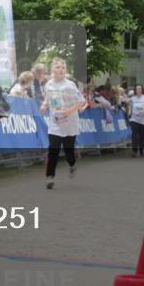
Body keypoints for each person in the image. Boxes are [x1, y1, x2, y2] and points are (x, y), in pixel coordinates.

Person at [40, 58, 86, 189]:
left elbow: (81, 102)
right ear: (52, 70)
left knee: (68, 151)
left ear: (65, 71)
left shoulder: (70, 85)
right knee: (53, 149)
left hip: (70, 122)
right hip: (55, 123)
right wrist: (44, 106)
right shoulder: (48, 85)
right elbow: (48, 99)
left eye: (63, 68)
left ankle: (72, 164)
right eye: (58, 67)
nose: (60, 70)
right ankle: (50, 177)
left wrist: (69, 111)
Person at [128, 84, 144, 157]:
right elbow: (130, 107)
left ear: (142, 90)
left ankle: (141, 150)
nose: (138, 90)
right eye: (137, 89)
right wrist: (129, 114)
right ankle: (134, 151)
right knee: (134, 135)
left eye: (140, 89)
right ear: (135, 90)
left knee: (142, 136)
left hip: (143, 120)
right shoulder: (132, 99)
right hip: (134, 119)